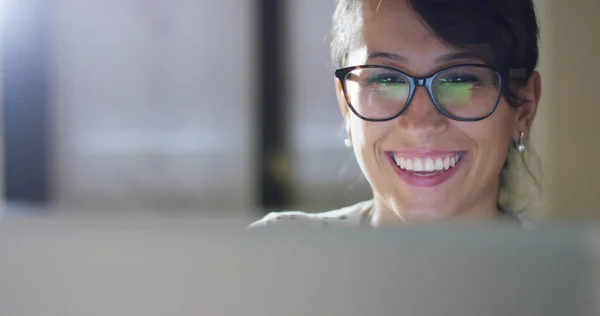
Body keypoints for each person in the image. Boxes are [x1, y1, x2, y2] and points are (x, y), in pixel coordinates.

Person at [251, 0, 541, 228]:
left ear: (524, 107)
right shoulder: (270, 258)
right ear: (345, 103)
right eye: (386, 81)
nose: (421, 123)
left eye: (459, 81)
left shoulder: (575, 289)